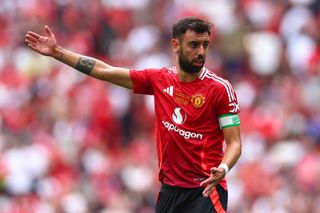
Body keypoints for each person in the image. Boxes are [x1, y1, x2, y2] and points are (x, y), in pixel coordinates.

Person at [25, 17, 242, 213]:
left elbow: (234, 143)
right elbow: (104, 71)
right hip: (169, 192)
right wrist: (58, 53)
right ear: (176, 45)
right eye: (194, 45)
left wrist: (223, 169)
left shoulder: (220, 89)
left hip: (205, 190)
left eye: (205, 45)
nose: (201, 52)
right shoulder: (160, 79)